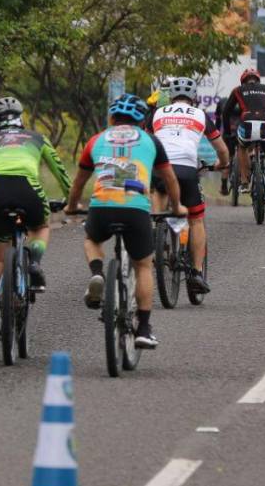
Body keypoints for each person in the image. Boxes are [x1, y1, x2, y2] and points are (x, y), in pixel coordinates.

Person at [64, 94, 181, 349]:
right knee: (143, 265)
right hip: (136, 207)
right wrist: (178, 206)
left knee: (92, 240)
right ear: (141, 120)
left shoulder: (96, 140)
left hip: (102, 206)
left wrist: (72, 207)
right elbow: (170, 179)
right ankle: (144, 328)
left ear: (111, 118)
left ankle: (97, 274)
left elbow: (79, 181)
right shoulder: (151, 140)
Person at [0, 97, 71, 339]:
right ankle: (34, 262)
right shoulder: (37, 138)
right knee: (41, 225)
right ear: (21, 117)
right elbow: (59, 171)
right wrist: (70, 198)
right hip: (28, 191)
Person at [149, 77, 229, 294]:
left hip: (160, 165)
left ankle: (157, 234)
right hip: (186, 168)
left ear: (171, 96)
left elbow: (146, 140)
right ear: (193, 97)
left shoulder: (157, 113)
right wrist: (222, 165)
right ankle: (195, 272)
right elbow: (221, 149)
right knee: (196, 220)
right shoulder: (200, 115)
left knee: (159, 191)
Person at [220, 68, 265, 211]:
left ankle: (245, 182)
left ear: (243, 80)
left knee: (242, 147)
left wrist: (227, 132)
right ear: (258, 79)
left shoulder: (238, 90)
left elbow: (225, 113)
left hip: (247, 128)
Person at [215, 94, 241, 195]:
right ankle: (244, 180)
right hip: (240, 132)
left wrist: (217, 131)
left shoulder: (222, 102)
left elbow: (217, 120)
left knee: (227, 158)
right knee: (243, 152)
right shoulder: (242, 101)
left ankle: (224, 186)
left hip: (227, 132)